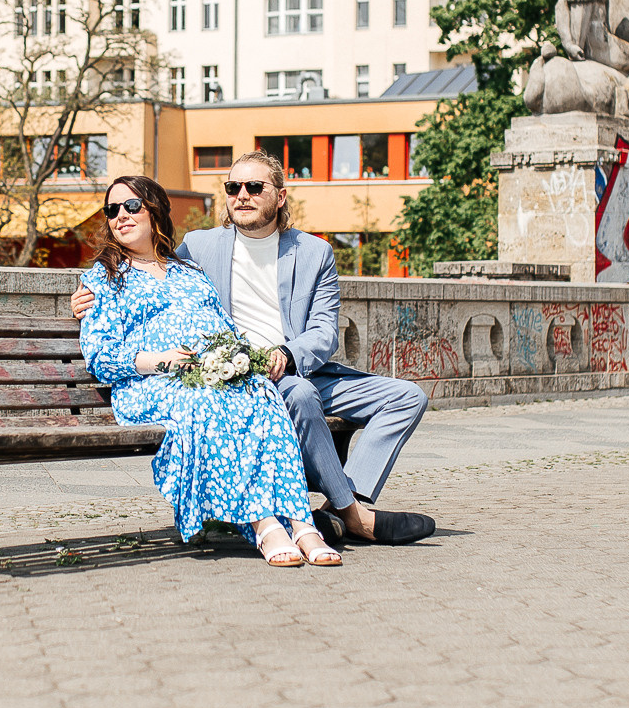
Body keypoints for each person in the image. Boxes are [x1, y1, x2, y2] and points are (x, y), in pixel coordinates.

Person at [73, 151, 436, 548]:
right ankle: (354, 517)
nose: (241, 195)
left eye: (254, 187)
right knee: (296, 394)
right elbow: (145, 271)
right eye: (233, 187)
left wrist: (289, 354)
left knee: (407, 396)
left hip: (299, 364)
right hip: (242, 373)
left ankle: (345, 504)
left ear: (279, 196)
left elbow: (323, 331)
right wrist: (84, 299)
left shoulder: (314, 252)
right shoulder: (200, 247)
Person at [76, 174, 341, 568]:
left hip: (207, 376)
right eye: (112, 210)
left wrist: (237, 362)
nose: (121, 217)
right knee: (207, 400)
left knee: (261, 393)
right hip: (150, 384)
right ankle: (266, 525)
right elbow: (100, 355)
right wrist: (161, 359)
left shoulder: (189, 272)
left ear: (155, 212)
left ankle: (302, 524)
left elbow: (225, 329)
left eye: (132, 206)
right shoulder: (104, 278)